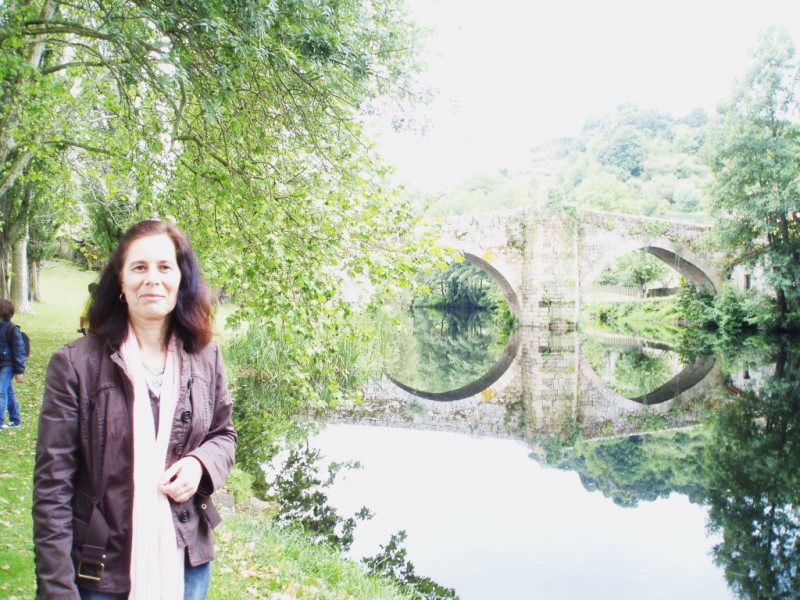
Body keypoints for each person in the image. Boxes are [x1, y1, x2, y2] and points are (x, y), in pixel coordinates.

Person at [33, 219, 237, 599]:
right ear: (121, 281)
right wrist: (57, 589)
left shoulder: (206, 357)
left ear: (181, 279)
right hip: (103, 571)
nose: (152, 279)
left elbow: (224, 435)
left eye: (164, 267)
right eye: (139, 267)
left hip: (186, 564)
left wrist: (200, 464)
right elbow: (52, 489)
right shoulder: (74, 366)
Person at [0, 299, 25, 429]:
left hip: (8, 364)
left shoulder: (12, 328)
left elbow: (18, 350)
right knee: (8, 392)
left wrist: (19, 371)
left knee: (1, 391)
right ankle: (15, 420)